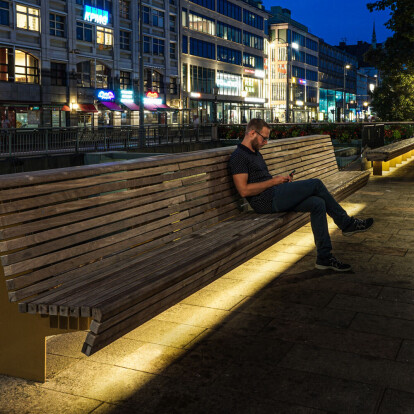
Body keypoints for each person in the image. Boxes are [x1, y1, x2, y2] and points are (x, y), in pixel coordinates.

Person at [228, 118, 374, 272]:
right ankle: (346, 224)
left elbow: (262, 180)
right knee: (316, 184)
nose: (266, 142)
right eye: (264, 138)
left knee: (318, 203)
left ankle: (324, 257)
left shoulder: (255, 153)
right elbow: (244, 190)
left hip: (273, 193)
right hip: (265, 201)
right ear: (252, 133)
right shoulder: (239, 157)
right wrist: (273, 182)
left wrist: (281, 181)